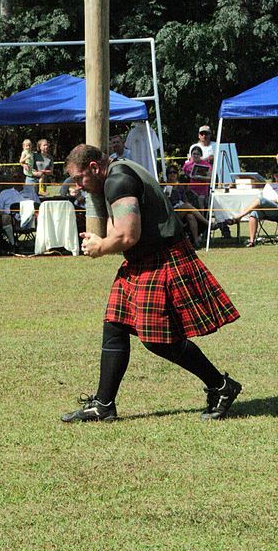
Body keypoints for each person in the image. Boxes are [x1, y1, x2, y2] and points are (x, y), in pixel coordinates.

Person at [61, 144, 241, 423]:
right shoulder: (116, 174)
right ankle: (103, 404)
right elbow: (120, 232)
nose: (77, 186)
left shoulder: (118, 180)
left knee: (158, 339)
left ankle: (221, 387)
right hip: (143, 260)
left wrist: (100, 247)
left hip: (161, 258)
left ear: (94, 168)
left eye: (79, 178)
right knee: (115, 323)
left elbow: (127, 236)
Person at [166, 165, 219, 248]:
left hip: (182, 211)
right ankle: (208, 223)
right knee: (188, 206)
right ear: (167, 174)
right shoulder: (165, 186)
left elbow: (185, 200)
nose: (172, 174)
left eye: (174, 172)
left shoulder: (180, 187)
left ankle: (196, 241)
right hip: (171, 213)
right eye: (170, 172)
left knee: (190, 215)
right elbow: (165, 202)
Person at [226, 171, 278, 247]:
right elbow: (264, 195)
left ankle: (239, 217)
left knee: (260, 200)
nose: (277, 176)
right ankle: (251, 241)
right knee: (254, 213)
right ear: (273, 175)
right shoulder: (269, 185)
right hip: (268, 209)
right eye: (276, 174)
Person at [182, 146, 212, 211]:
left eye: (198, 154)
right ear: (191, 155)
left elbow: (210, 178)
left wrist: (199, 177)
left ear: (201, 155)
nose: (196, 156)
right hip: (190, 190)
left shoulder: (206, 165)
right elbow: (182, 176)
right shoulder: (187, 165)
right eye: (194, 154)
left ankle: (202, 219)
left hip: (202, 190)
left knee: (201, 203)